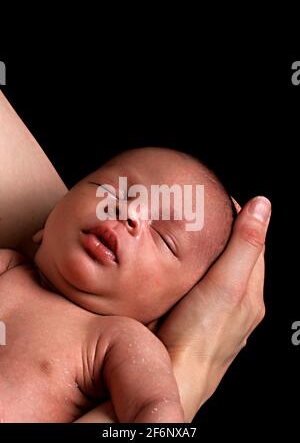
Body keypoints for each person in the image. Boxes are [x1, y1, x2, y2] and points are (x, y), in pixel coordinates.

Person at [0, 91, 271, 423]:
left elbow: (158, 418)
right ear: (46, 223)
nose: (130, 212)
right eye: (112, 190)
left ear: (165, 313)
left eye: (163, 237)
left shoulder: (120, 341)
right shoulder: (8, 265)